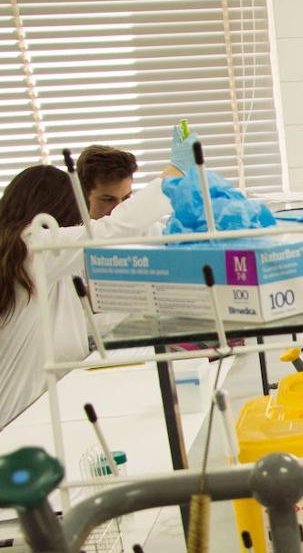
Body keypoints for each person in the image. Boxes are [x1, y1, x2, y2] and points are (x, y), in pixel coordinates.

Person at [0, 127, 196, 426]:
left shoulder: (26, 255)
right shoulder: (33, 247)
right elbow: (111, 231)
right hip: (21, 416)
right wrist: (173, 173)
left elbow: (90, 319)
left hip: (42, 407)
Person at [77, 145, 138, 219]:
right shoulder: (66, 229)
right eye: (108, 200)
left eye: (126, 197)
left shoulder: (147, 228)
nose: (119, 210)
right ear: (83, 196)